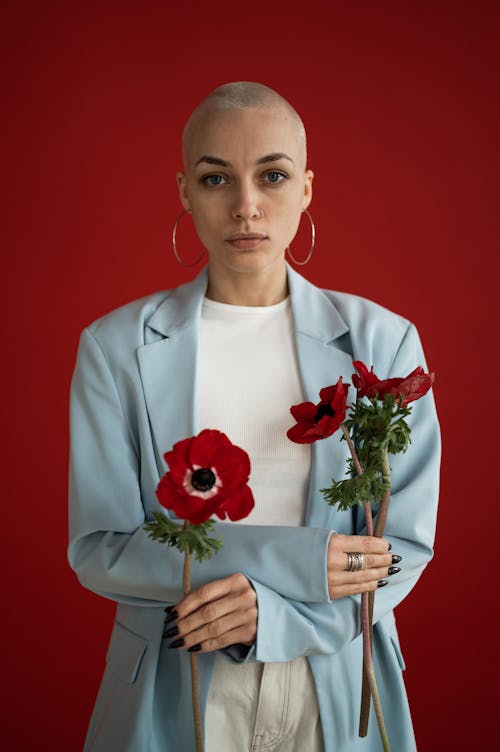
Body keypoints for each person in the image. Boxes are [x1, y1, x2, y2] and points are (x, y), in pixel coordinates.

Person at [68, 82, 440, 751]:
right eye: (217, 179)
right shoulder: (115, 348)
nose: (246, 206)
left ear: (306, 189)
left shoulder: (385, 343)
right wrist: (301, 561)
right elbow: (101, 549)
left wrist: (277, 619)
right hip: (172, 675)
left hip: (338, 679)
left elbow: (402, 549)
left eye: (272, 175)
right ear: (185, 190)